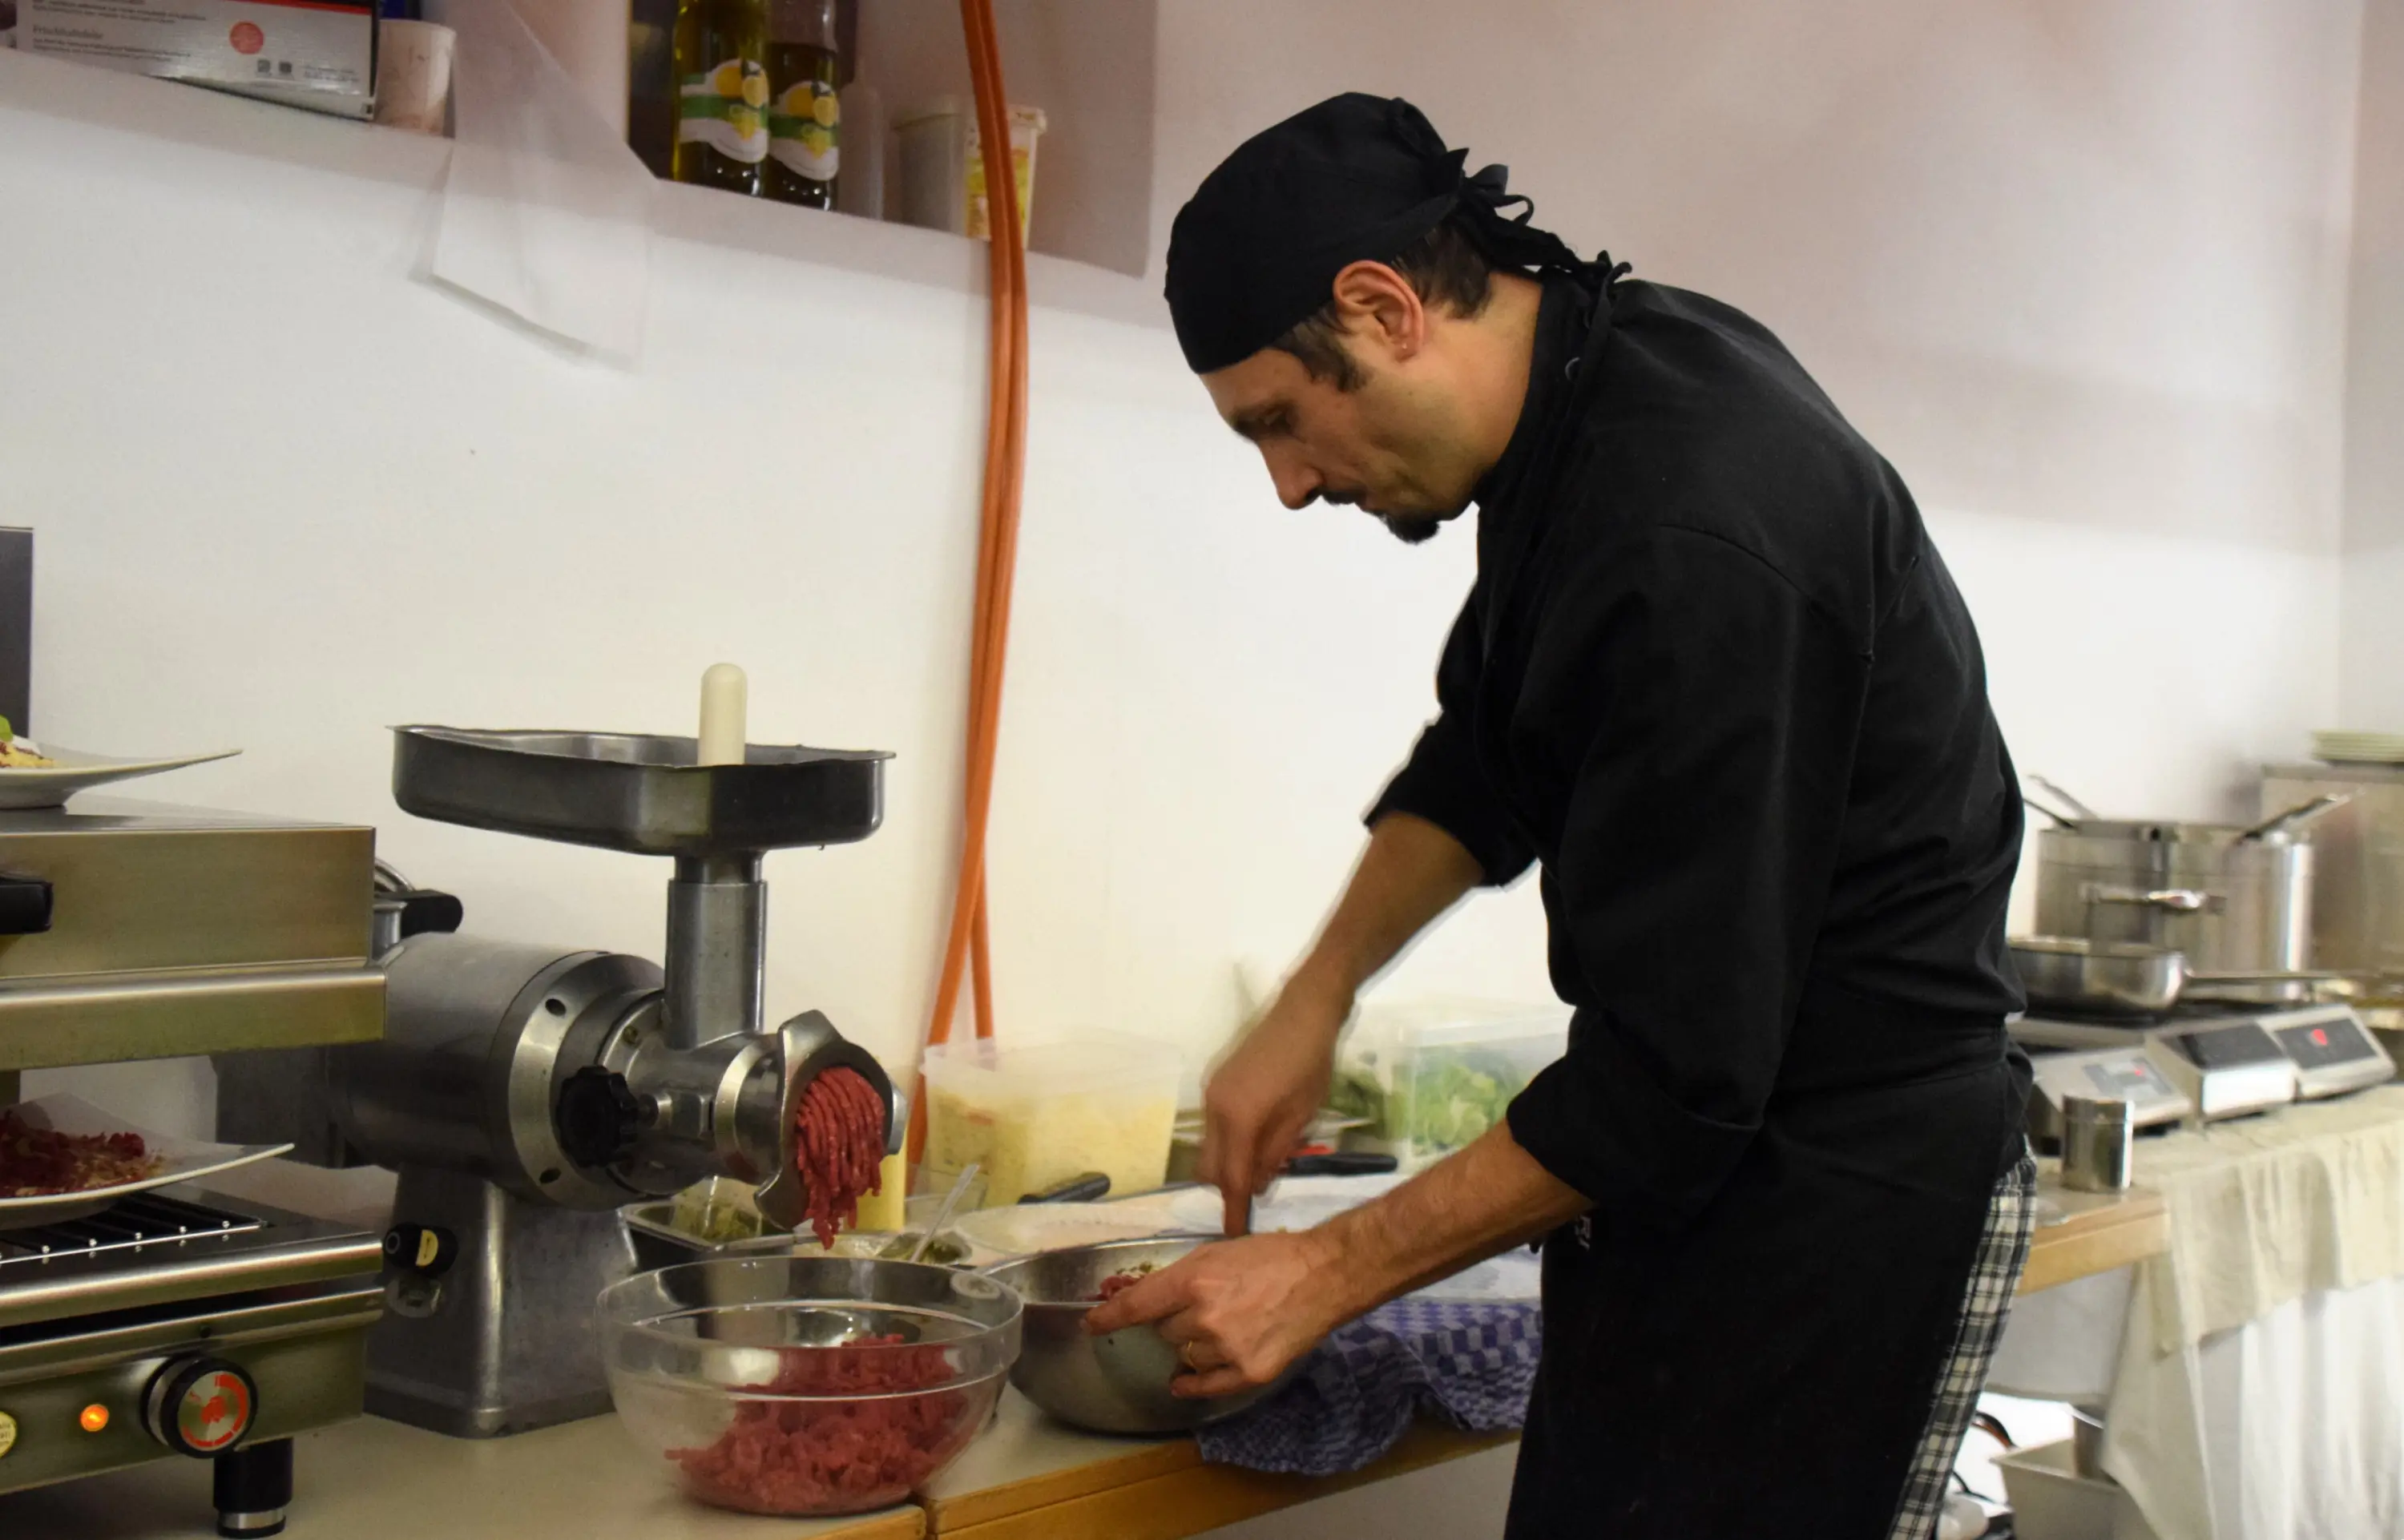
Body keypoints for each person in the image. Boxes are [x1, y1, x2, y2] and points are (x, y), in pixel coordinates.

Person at [1083, 94, 2036, 1539]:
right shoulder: (1591, 386)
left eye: (1280, 419)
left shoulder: (1694, 521)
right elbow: (1490, 756)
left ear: (1383, 304)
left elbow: (1671, 1079)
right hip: (1702, 1174)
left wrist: (1319, 1271)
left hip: (1843, 1207)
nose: (1285, 484)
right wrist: (1313, 997)